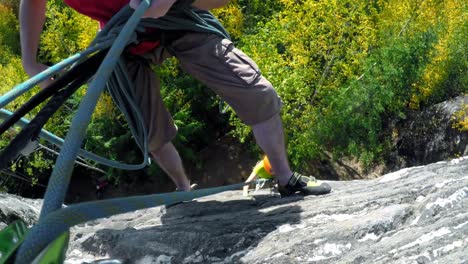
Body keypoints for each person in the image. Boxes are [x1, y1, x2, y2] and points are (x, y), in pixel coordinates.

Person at [19, 0, 331, 197]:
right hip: (123, 37)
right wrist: (30, 61)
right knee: (148, 128)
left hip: (177, 15)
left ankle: (285, 178)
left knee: (255, 92)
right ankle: (183, 189)